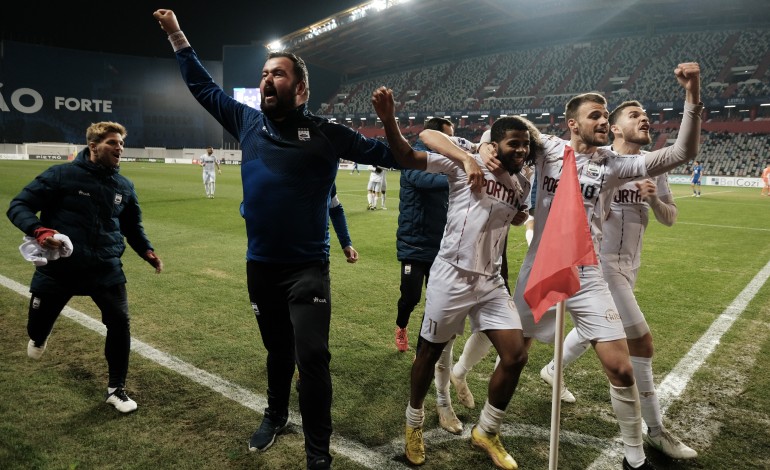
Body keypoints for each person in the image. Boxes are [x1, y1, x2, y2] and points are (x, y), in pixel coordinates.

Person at [154, 10, 398, 470]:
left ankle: (318, 456)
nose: (267, 79)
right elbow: (204, 88)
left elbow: (394, 155)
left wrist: (447, 152)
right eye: (264, 73)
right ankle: (275, 415)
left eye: (277, 74)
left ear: (300, 89)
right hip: (260, 266)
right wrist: (177, 35)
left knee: (313, 359)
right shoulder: (247, 122)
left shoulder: (328, 134)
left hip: (307, 269)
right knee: (276, 351)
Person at [474, 62, 702, 470]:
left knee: (621, 367)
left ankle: (634, 459)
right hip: (541, 265)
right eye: (594, 115)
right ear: (572, 124)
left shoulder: (614, 164)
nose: (602, 120)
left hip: (590, 272)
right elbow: (514, 125)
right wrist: (488, 142)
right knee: (514, 355)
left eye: (605, 113)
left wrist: (692, 96)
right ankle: (487, 426)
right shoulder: (548, 149)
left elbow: (682, 152)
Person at [373, 85, 536, 469]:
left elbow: (516, 214)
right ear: (494, 144)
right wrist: (466, 156)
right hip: (451, 275)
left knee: (515, 356)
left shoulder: (522, 182)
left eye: (526, 145)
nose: (522, 151)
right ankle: (413, 421)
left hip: (490, 281)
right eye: (514, 144)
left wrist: (524, 219)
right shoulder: (463, 163)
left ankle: (487, 430)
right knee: (429, 352)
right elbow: (417, 146)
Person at [539, 100, 696, 460]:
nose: (644, 119)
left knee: (599, 329)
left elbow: (670, 218)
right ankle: (655, 431)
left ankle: (552, 368)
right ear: (615, 129)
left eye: (646, 115)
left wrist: (654, 201)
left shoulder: (652, 168)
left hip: (631, 266)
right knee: (641, 343)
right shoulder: (600, 160)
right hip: (602, 266)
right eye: (633, 115)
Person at [6, 121, 163, 414]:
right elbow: (19, 205)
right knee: (35, 329)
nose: (120, 149)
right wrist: (40, 231)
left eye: (121, 144)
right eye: (113, 143)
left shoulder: (124, 186)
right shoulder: (62, 175)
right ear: (93, 146)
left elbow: (132, 226)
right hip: (60, 269)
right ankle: (40, 334)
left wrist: (147, 251)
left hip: (105, 268)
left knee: (120, 322)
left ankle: (116, 389)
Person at [395, 117, 453, 353]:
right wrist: (458, 175)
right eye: (448, 137)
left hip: (439, 243)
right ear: (433, 136)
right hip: (414, 243)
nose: (452, 142)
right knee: (411, 297)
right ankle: (401, 325)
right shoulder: (413, 157)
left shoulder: (444, 159)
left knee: (436, 300)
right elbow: (424, 180)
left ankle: (424, 346)